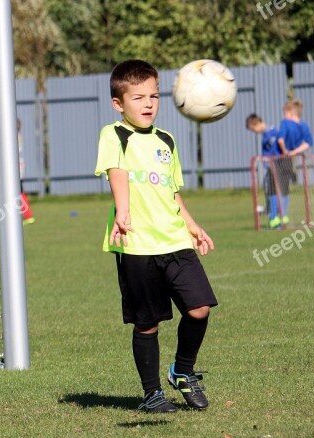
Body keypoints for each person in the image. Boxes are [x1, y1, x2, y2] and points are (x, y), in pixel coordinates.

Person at [94, 59, 217, 413]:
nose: (148, 104)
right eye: (138, 98)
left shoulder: (167, 139)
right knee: (147, 324)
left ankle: (183, 370)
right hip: (136, 243)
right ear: (119, 104)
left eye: (154, 95)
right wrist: (122, 210)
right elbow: (116, 170)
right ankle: (151, 395)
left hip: (175, 239)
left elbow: (172, 190)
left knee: (199, 309)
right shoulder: (114, 134)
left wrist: (192, 225)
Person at [0, 118, 34, 224]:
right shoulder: (17, 135)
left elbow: (2, 147)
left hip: (14, 167)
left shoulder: (13, 136)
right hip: (16, 166)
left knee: (17, 191)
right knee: (17, 191)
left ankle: (27, 215)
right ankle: (21, 215)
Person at [274, 99, 314, 227]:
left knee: (274, 189)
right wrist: (294, 152)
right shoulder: (304, 126)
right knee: (285, 189)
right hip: (290, 160)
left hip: (279, 159)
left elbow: (280, 140)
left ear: (290, 112)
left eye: (284, 113)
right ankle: (284, 216)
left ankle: (274, 218)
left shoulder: (285, 123)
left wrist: (285, 151)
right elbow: (308, 143)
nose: (284, 116)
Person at [245, 113, 282, 228]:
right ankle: (271, 211)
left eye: (253, 129)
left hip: (276, 166)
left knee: (272, 191)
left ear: (257, 123)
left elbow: (279, 147)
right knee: (268, 188)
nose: (254, 132)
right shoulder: (266, 135)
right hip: (270, 167)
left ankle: (274, 217)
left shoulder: (273, 133)